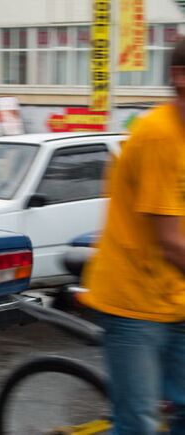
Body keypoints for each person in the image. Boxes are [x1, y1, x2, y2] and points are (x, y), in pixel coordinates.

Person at [79, 37, 185, 434]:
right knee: (138, 422)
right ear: (180, 78)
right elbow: (171, 240)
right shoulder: (160, 136)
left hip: (174, 296)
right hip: (133, 304)